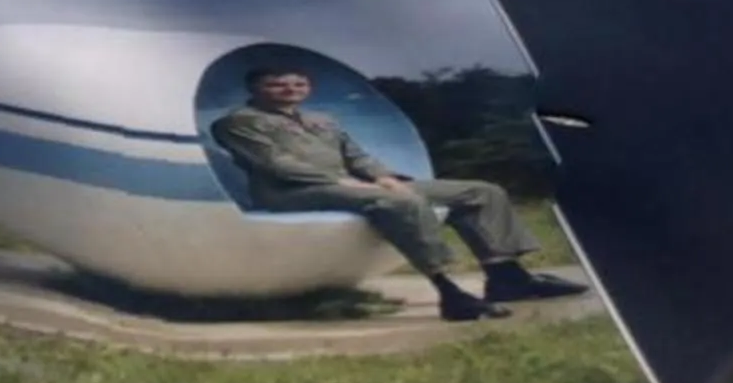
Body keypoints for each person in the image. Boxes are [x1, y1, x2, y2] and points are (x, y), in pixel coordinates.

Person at [210, 60, 591, 322]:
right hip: (289, 193)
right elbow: (274, 163)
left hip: (352, 185)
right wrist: (339, 182)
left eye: (298, 83)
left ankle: (507, 277)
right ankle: (449, 291)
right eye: (276, 83)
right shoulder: (239, 122)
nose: (289, 89)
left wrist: (381, 175)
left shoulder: (321, 120)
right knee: (400, 201)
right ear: (255, 88)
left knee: (480, 191)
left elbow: (357, 155)